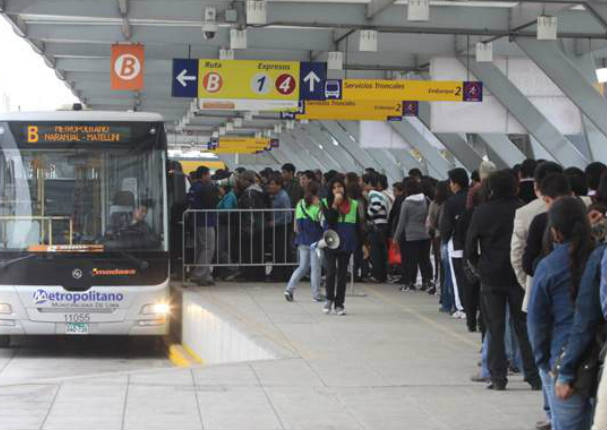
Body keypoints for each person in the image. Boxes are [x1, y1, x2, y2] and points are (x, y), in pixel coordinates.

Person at [466, 170, 540, 391]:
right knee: (523, 326)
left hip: (491, 275)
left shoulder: (482, 212)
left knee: (495, 327)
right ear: (515, 187)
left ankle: (498, 377)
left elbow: (470, 246)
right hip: (519, 275)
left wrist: (479, 265)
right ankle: (533, 375)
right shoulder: (523, 209)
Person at [527, 197, 595, 430]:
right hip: (598, 358)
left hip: (563, 359)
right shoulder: (599, 257)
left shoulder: (549, 266)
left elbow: (536, 322)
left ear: (555, 232)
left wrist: (543, 362)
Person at [511, 161, 563, 313]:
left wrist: (528, 285)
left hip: (537, 286)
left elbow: (517, 255)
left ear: (536, 185)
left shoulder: (524, 213)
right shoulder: (585, 206)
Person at [321, 176, 362, 316]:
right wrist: (334, 205)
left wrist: (363, 244)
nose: (338, 189)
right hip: (331, 240)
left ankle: (340, 304)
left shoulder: (353, 204)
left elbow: (358, 225)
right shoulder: (325, 203)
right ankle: (329, 299)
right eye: (334, 187)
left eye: (340, 186)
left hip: (347, 241)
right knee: (331, 271)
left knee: (343, 273)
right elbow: (330, 220)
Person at [284, 181, 324, 302]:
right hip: (315, 240)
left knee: (302, 266)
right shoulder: (318, 205)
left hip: (302, 239)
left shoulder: (300, 203)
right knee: (315, 268)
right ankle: (316, 294)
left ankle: (289, 289)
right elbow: (323, 223)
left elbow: (296, 224)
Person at [439, 168, 469, 320]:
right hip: (473, 243)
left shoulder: (452, 202)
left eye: (451, 182)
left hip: (456, 243)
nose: (450, 185)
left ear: (456, 184)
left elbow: (446, 226)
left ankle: (461, 307)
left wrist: (444, 239)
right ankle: (473, 305)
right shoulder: (474, 197)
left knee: (458, 277)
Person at [394, 178, 432, 292]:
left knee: (410, 260)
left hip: (410, 236)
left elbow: (402, 222)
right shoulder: (425, 200)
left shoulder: (406, 203)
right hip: (425, 235)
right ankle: (427, 281)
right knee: (424, 260)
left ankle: (410, 282)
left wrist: (396, 237)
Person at [187, 166, 218, 286]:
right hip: (206, 221)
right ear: (204, 175)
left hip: (198, 221)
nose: (210, 177)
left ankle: (204, 274)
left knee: (201, 248)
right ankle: (200, 275)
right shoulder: (204, 188)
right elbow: (211, 201)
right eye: (209, 174)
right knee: (208, 248)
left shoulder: (194, 187)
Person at [236, 170, 267, 281]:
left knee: (249, 251)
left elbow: (250, 211)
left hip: (251, 227)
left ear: (246, 180)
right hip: (260, 226)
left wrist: (249, 227)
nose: (239, 182)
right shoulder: (260, 190)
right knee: (258, 251)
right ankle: (258, 274)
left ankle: (250, 274)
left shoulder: (249, 193)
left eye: (241, 180)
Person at [362, 172, 389, 283]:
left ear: (368, 183)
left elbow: (376, 206)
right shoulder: (379, 194)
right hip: (383, 226)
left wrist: (368, 214)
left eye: (363, 183)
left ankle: (377, 275)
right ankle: (382, 275)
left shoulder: (373, 194)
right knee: (381, 252)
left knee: (376, 252)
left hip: (378, 226)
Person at [267, 173, 293, 282]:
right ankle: (278, 273)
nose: (270, 186)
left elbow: (288, 214)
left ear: (279, 185)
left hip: (282, 227)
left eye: (273, 184)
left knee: (281, 250)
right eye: (270, 184)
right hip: (278, 226)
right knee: (277, 251)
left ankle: (281, 274)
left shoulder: (283, 197)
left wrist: (275, 222)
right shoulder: (275, 196)